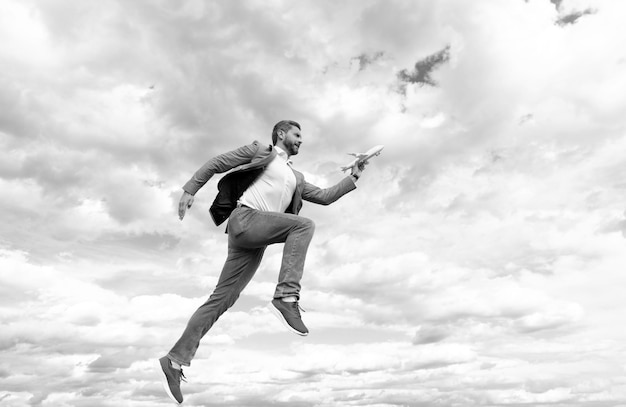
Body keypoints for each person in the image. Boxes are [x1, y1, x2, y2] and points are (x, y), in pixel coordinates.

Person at [158, 120, 366, 404]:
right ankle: (286, 297)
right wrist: (190, 189)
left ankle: (174, 360)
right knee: (303, 226)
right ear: (281, 134)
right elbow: (218, 162)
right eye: (297, 134)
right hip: (245, 220)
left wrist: (354, 177)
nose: (301, 140)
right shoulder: (261, 151)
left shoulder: (297, 177)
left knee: (222, 299)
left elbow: (325, 197)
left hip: (254, 240)